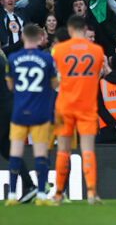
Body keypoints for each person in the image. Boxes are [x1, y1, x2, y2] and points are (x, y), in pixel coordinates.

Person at [51, 15, 105, 205]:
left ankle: (58, 193)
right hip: (87, 106)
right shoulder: (97, 50)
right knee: (88, 149)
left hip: (64, 105)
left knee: (63, 151)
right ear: (84, 28)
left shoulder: (59, 50)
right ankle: (91, 192)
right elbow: (99, 72)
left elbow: (54, 77)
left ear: (69, 29)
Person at [4, 25, 57, 206]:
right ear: (40, 39)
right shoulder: (47, 59)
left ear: (23, 37)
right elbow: (54, 83)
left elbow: (10, 86)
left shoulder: (12, 58)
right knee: (40, 155)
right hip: (40, 113)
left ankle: (11, 196)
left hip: (19, 112)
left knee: (15, 153)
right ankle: (42, 196)